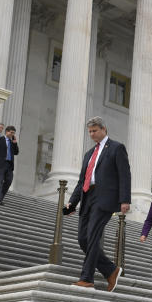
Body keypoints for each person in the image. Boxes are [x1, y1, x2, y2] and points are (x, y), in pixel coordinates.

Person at [64, 117, 128, 291]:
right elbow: (81, 181)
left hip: (105, 198)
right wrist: (71, 203)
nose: (92, 134)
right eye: (90, 132)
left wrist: (125, 199)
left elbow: (124, 175)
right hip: (87, 197)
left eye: (94, 131)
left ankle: (87, 278)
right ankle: (111, 270)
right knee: (82, 239)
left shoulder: (116, 148)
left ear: (103, 129)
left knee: (92, 236)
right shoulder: (89, 154)